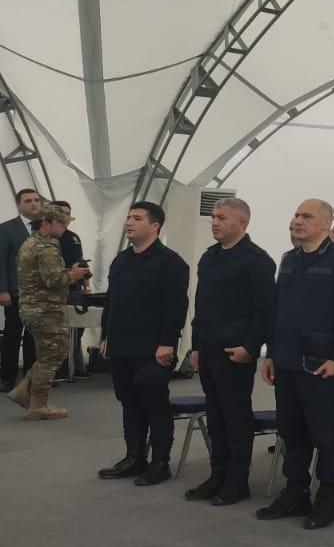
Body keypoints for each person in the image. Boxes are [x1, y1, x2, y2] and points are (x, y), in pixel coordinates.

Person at [254, 199, 334, 529]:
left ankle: (327, 497)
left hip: (320, 363)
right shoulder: (289, 260)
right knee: (291, 431)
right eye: (296, 215)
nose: (297, 221)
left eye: (306, 216)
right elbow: (278, 310)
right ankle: (295, 492)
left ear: (326, 223)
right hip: (286, 360)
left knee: (324, 434)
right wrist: (271, 353)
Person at [184, 198, 275, 505]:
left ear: (242, 222)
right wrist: (196, 345)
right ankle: (217, 475)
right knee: (215, 416)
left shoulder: (256, 260)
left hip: (235, 351)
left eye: (222, 217)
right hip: (208, 347)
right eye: (213, 216)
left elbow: (264, 311)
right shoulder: (209, 257)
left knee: (236, 418)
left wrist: (250, 348)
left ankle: (237, 481)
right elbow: (201, 305)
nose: (215, 222)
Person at [95, 202, 190, 486]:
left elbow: (176, 307)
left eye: (137, 218)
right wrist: (106, 336)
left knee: (154, 404)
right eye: (128, 217)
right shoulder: (121, 260)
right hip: (121, 345)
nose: (129, 222)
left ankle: (160, 463)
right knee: (129, 403)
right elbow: (112, 302)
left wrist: (167, 343)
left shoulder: (171, 263)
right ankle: (134, 457)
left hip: (153, 350)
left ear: (155, 225)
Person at [7, 204, 88, 418]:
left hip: (36, 308)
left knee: (52, 353)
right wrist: (74, 275)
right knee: (51, 356)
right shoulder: (45, 248)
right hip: (45, 309)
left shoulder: (31, 243)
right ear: (45, 223)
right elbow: (53, 280)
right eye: (61, 222)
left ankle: (24, 391)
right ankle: (38, 404)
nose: (64, 227)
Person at [0, 188, 43, 391]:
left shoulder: (45, 227)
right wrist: (2, 289)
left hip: (40, 293)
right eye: (28, 201)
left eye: (36, 200)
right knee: (12, 335)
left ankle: (29, 378)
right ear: (18, 205)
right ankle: (7, 377)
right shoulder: (6, 229)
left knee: (34, 337)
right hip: (16, 292)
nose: (33, 203)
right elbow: (0, 261)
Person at [48, 201, 87, 382]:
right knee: (55, 329)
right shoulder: (45, 238)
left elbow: (80, 261)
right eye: (62, 213)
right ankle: (57, 369)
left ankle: (74, 365)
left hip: (74, 288)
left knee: (77, 327)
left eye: (68, 213)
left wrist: (86, 283)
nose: (66, 217)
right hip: (54, 289)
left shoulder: (73, 237)